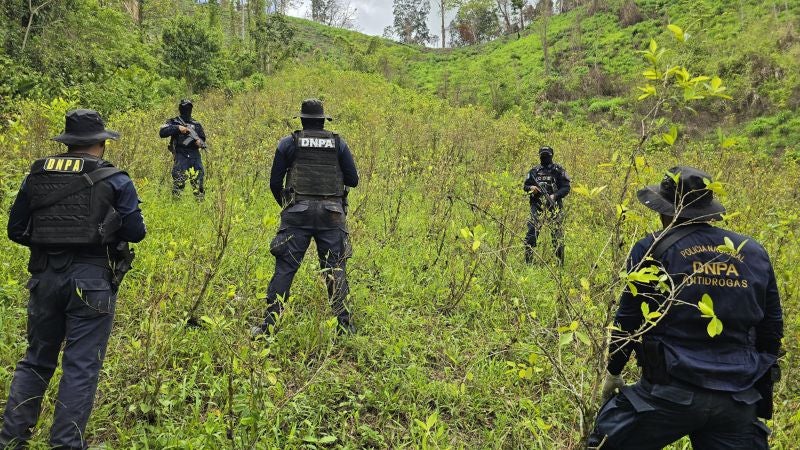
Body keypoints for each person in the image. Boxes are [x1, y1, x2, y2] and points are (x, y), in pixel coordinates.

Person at [588, 167, 783, 450]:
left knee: (604, 442)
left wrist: (614, 371)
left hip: (668, 393)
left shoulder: (652, 248)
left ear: (666, 210)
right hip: (739, 397)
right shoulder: (753, 251)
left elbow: (628, 320)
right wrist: (755, 376)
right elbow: (772, 326)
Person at [1, 109, 146, 449]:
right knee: (80, 367)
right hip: (92, 281)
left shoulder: (37, 173)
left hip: (45, 278)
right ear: (101, 143)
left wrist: (51, 243)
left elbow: (15, 229)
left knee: (36, 360)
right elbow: (136, 232)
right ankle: (66, 445)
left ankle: (10, 441)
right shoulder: (116, 179)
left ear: (67, 143)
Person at [252, 99, 359, 336]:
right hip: (332, 214)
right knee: (335, 268)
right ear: (323, 121)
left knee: (285, 268)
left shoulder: (288, 143)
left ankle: (268, 326)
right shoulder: (338, 144)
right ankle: (344, 327)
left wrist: (289, 206)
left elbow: (274, 183)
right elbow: (353, 180)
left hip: (296, 213)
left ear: (301, 120)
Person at [523, 146, 570, 265]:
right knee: (531, 233)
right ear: (539, 156)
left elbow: (566, 187)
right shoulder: (534, 171)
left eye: (547, 155)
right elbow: (525, 186)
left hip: (554, 207)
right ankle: (529, 264)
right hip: (537, 206)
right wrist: (531, 188)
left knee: (557, 236)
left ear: (551, 156)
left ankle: (560, 265)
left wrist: (555, 196)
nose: (545, 157)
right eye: (543, 155)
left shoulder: (558, 170)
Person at [159, 99, 207, 198]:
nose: (187, 110)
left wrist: (199, 143)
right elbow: (162, 132)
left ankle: (200, 205)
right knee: (179, 182)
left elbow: (202, 138)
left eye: (189, 108)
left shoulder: (196, 124)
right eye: (185, 108)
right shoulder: (173, 122)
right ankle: (176, 204)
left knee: (198, 183)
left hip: (195, 156)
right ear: (180, 109)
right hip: (181, 155)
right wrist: (178, 128)